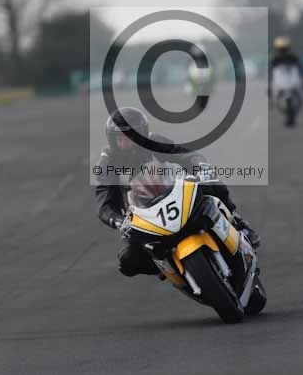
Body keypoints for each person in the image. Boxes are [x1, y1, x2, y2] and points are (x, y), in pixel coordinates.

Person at [92, 107, 260, 277]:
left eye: (131, 138)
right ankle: (165, 267)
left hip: (174, 194)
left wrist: (200, 167)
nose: (125, 144)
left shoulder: (153, 141)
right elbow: (103, 204)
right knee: (128, 261)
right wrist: (118, 220)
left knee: (211, 184)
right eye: (120, 139)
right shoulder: (106, 164)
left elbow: (184, 154)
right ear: (112, 141)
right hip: (141, 217)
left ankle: (239, 222)